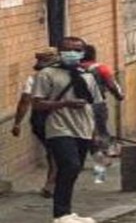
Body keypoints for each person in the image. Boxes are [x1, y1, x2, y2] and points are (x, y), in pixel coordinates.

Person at [32, 36, 103, 223]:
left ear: (83, 53)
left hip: (83, 127)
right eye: (67, 49)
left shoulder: (87, 75)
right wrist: (64, 103)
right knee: (68, 165)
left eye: (77, 50)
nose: (72, 53)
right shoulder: (47, 74)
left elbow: (93, 105)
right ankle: (60, 213)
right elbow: (37, 103)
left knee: (74, 169)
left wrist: (95, 133)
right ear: (60, 51)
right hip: (59, 127)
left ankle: (67, 212)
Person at [12, 47, 61, 198]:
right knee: (56, 152)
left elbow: (24, 101)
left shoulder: (34, 78)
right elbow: (25, 101)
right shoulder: (64, 76)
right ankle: (51, 184)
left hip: (40, 119)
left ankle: (51, 182)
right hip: (58, 118)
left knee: (52, 151)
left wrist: (17, 123)